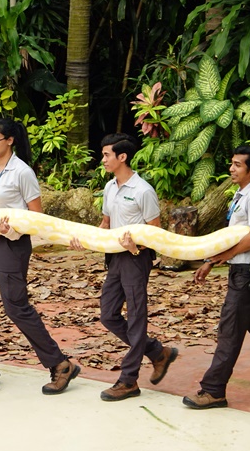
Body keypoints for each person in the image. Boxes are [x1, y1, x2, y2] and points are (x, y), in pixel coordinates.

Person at [0, 118, 79, 397]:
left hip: (12, 245)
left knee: (16, 307)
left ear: (10, 140)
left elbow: (36, 216)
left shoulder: (23, 172)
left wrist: (9, 231)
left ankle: (59, 364)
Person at [70, 133, 178, 401]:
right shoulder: (109, 187)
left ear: (122, 157)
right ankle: (157, 351)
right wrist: (84, 240)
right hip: (114, 257)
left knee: (137, 317)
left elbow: (156, 232)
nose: (103, 159)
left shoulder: (143, 191)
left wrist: (135, 248)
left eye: (107, 155)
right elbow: (106, 224)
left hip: (135, 258)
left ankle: (129, 380)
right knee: (108, 315)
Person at [183, 145, 250, 409]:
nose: (231, 168)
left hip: (248, 273)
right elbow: (232, 237)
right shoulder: (240, 195)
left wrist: (224, 257)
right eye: (232, 163)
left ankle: (213, 390)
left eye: (238, 165)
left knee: (229, 332)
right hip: (242, 272)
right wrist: (210, 261)